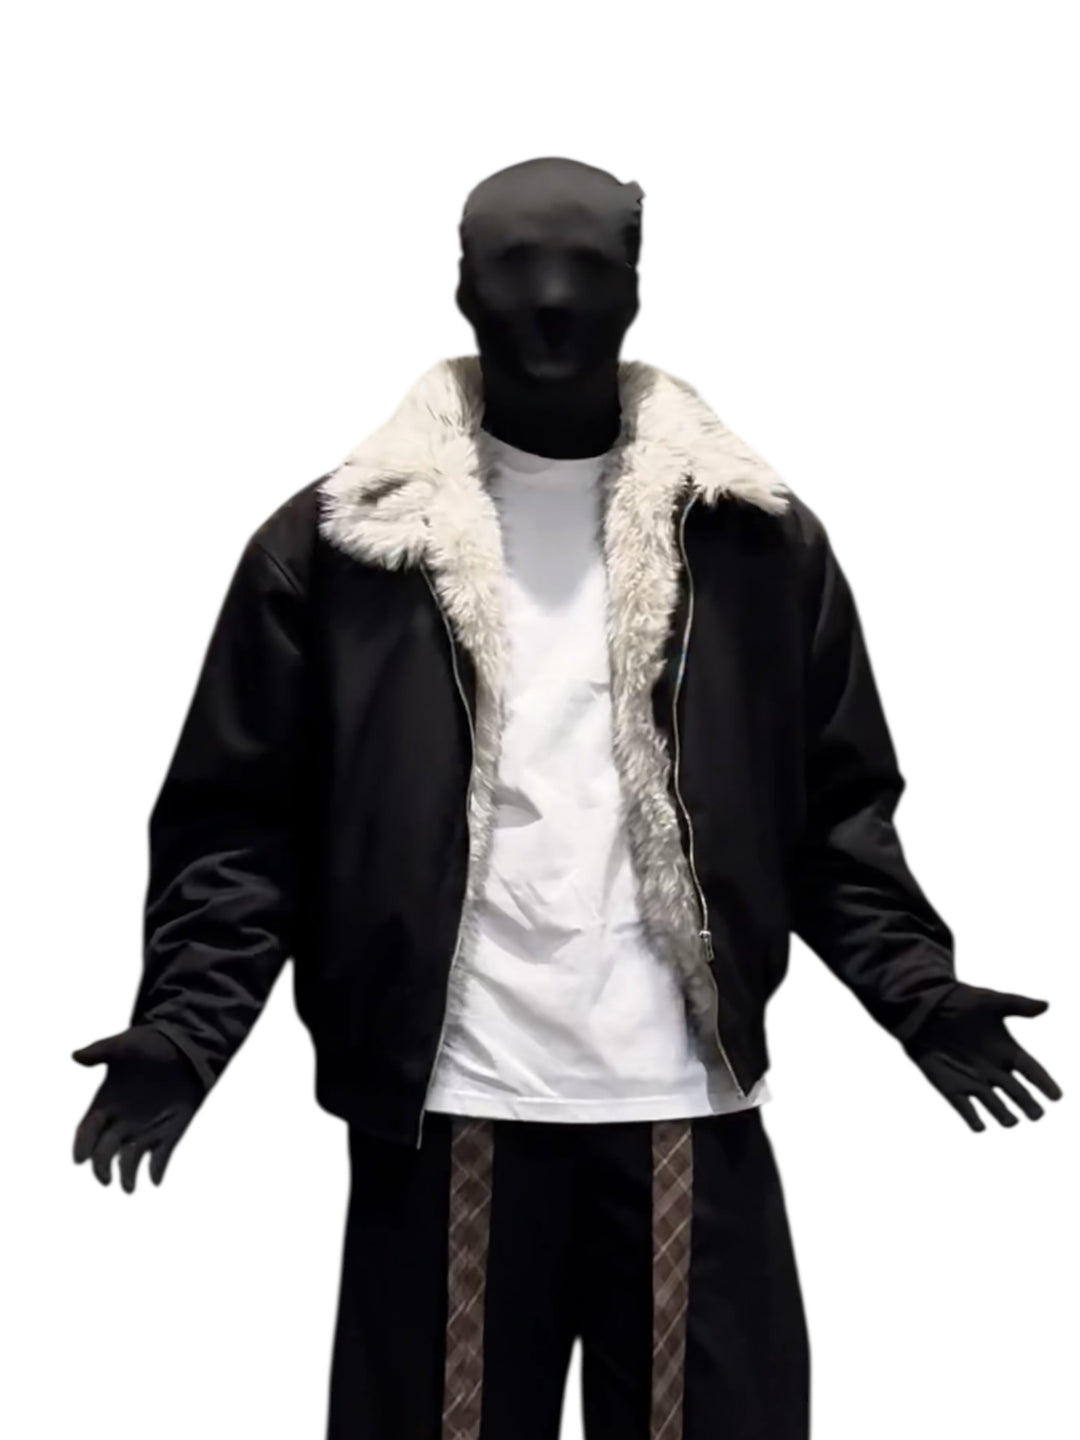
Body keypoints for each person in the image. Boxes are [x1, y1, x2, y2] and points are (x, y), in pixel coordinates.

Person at [73, 156, 1062, 1440]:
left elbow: (833, 812)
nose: (549, 301)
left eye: (586, 269)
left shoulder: (753, 541)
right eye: (513, 269)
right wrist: (187, 1028)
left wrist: (918, 995)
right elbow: (243, 824)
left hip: (687, 1100)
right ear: (460, 289)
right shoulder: (342, 546)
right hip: (451, 1110)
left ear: (637, 291)